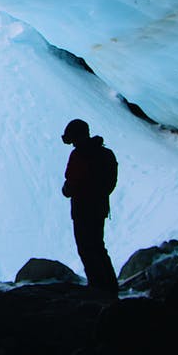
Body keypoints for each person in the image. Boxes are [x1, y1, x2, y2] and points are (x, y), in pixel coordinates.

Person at [61, 118, 119, 291]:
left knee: (86, 248)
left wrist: (70, 189)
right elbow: (110, 183)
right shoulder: (106, 154)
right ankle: (109, 286)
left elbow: (69, 186)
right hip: (99, 208)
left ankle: (97, 285)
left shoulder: (79, 156)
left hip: (82, 210)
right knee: (98, 247)